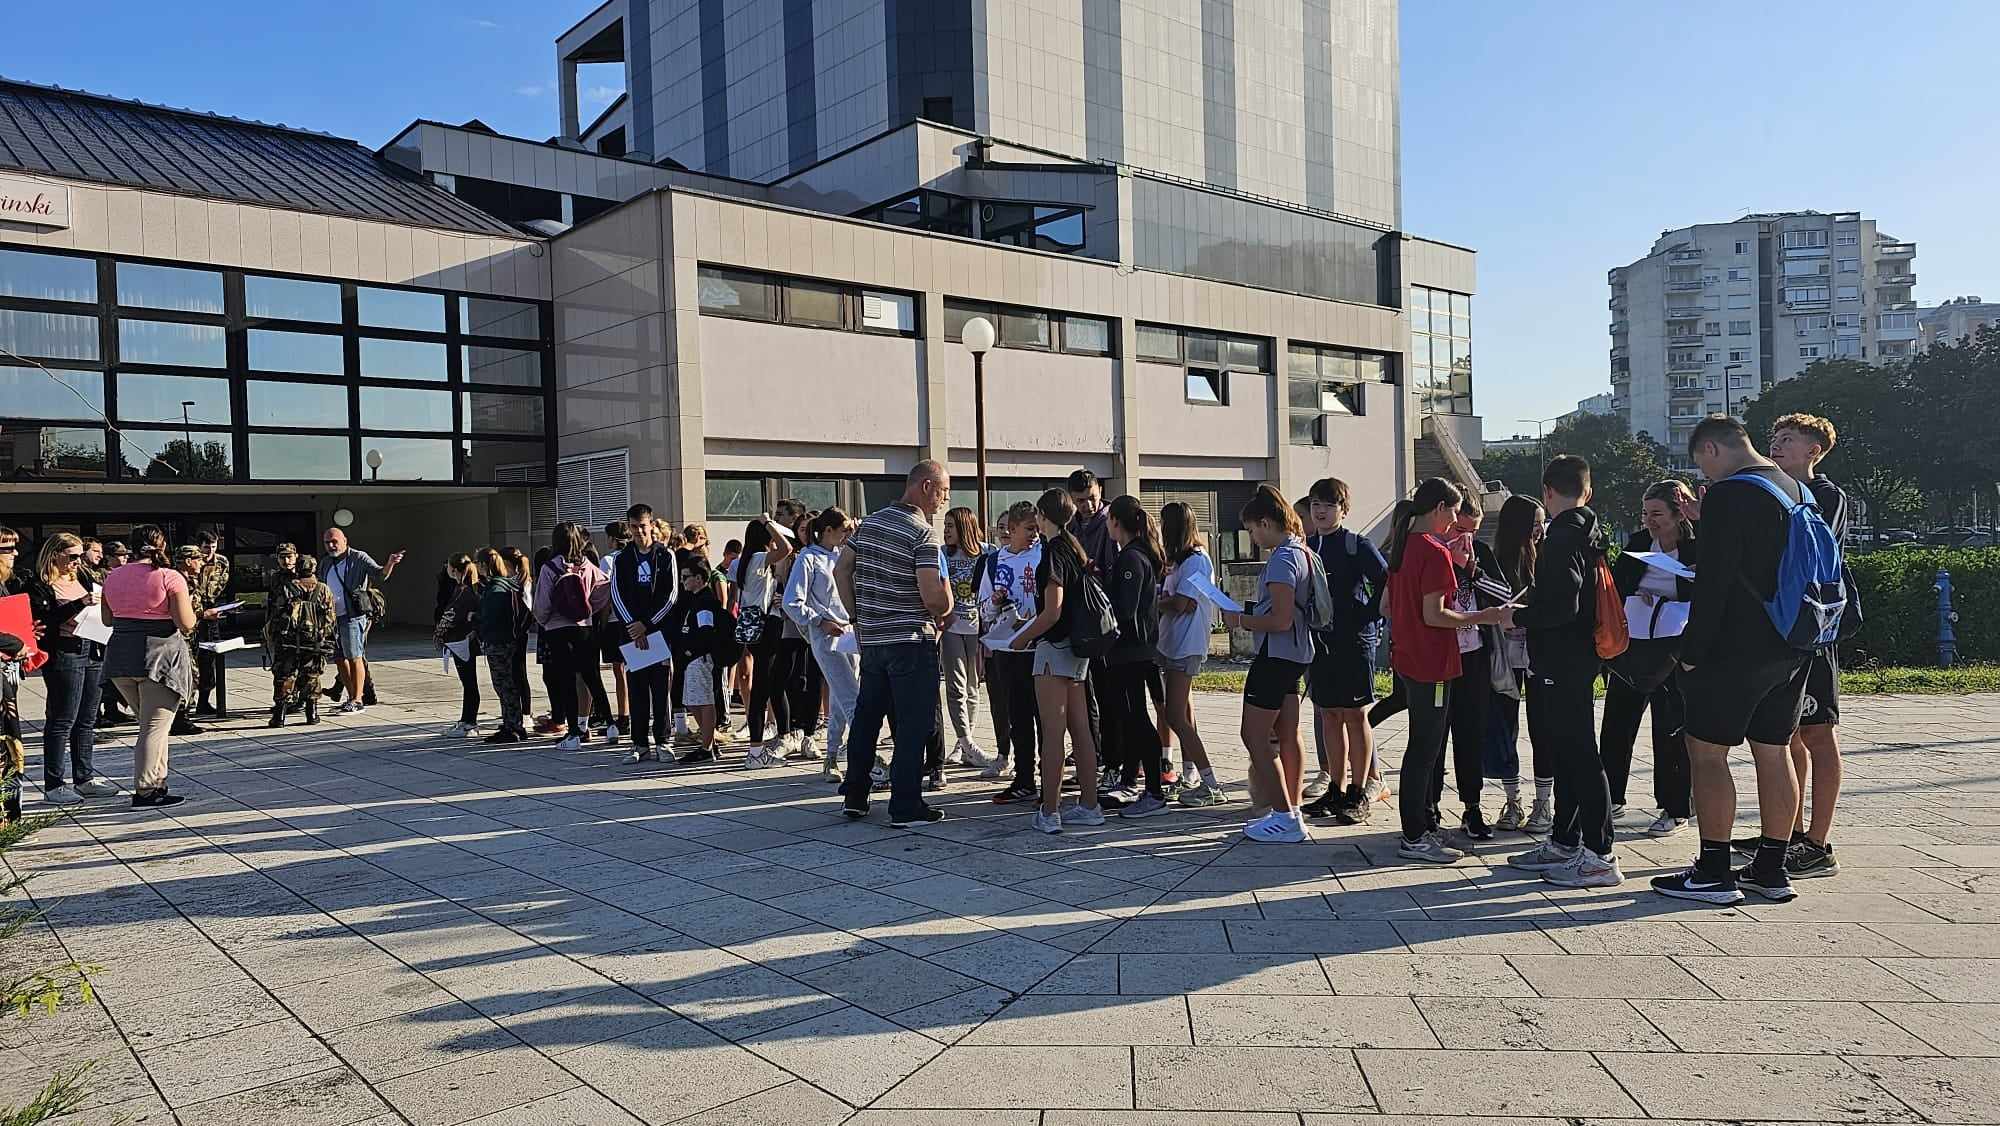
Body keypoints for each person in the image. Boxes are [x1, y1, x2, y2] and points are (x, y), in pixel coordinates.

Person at [1654, 415, 1826, 905]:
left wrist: (1691, 654)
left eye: (1701, 465)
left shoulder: (1730, 494)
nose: (1705, 476)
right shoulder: (1793, 488)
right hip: (1792, 643)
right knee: (1774, 750)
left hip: (1735, 647)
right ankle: (1771, 869)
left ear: (1711, 449)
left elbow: (1714, 583)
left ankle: (1713, 871)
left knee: (1707, 752)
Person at [1502, 456, 1622, 888]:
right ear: (1586, 491)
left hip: (1563, 657)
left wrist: (1518, 616)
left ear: (1548, 491)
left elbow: (1561, 606)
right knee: (1568, 751)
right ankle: (1565, 841)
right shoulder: (1590, 530)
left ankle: (1600, 855)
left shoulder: (1561, 538)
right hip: (1580, 655)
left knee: (1580, 755)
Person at [1381, 478, 1512, 862]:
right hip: (1433, 662)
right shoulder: (1434, 551)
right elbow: (1435, 614)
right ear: (1439, 508)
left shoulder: (1403, 546)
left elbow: (1390, 607)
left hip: (1410, 658)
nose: (1455, 520)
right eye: (1454, 512)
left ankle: (1422, 825)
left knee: (1423, 747)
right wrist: (1483, 616)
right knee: (1425, 749)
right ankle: (1415, 835)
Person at [835, 462, 953, 826]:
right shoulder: (922, 533)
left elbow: (841, 570)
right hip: (911, 640)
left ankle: (855, 795)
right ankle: (905, 804)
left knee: (867, 719)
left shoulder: (869, 524)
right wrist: (948, 600)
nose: (944, 501)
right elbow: (933, 597)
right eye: (943, 492)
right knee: (913, 723)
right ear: (926, 486)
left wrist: (856, 616)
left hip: (873, 639)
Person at [1763, 412, 1854, 879]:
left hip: (1815, 629)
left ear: (1813, 450)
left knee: (1819, 732)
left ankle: (1818, 843)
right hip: (1784, 632)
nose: (1776, 445)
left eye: (1787, 439)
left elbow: (1808, 545)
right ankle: (1789, 832)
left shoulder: (1825, 495)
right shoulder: (1775, 492)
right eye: (1775, 438)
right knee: (1789, 732)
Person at [1218, 485, 1323, 844]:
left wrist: (1240, 620)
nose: (1253, 538)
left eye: (1252, 530)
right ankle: (1292, 810)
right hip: (1296, 654)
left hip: (1276, 655)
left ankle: (1282, 815)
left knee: (1254, 735)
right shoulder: (1303, 551)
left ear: (1265, 522)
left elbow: (1280, 619)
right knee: (1289, 734)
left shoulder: (1282, 559)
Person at [1599, 481, 1698, 838]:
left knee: (1670, 728)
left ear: (1678, 513)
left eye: (1657, 513)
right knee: (1617, 724)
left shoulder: (1697, 547)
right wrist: (1635, 595)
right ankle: (1610, 797)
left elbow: (1711, 594)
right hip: (1633, 644)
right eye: (1645, 513)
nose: (1649, 520)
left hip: (1675, 649)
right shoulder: (1639, 543)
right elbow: (1615, 585)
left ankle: (1675, 807)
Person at [1008, 488, 1105, 834]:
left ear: (1042, 516)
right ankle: (1090, 805)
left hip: (1054, 648)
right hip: (1078, 650)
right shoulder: (1074, 547)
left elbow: (1053, 611)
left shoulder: (1052, 552)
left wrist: (1021, 637)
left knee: (1052, 732)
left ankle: (1049, 811)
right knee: (1081, 730)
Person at [1298, 478, 1388, 826]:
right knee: (1329, 715)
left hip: (1354, 644)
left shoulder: (1357, 545)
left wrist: (1364, 617)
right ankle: (1335, 788)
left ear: (1343, 510)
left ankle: (1358, 790)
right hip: (1321, 644)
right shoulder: (1307, 546)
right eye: (1315, 505)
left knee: (1355, 715)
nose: (1320, 511)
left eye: (1328, 505)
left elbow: (1386, 583)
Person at [100, 524, 197, 808]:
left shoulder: (113, 576)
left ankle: (159, 782)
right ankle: (145, 790)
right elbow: (186, 624)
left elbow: (107, 619)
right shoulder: (169, 576)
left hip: (120, 658)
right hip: (159, 658)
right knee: (153, 728)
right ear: (162, 545)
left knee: (152, 725)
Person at [28, 534, 117, 804]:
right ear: (54, 554)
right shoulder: (40, 584)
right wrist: (79, 604)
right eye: (72, 556)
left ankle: (84, 778)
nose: (77, 561)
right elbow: (43, 622)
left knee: (87, 718)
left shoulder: (83, 577)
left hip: (92, 647)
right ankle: (54, 784)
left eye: (80, 556)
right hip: (64, 652)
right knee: (62, 718)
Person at [1100, 495, 1170, 818]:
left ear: (1116, 521)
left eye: (1109, 519)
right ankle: (1132, 782)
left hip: (1132, 652)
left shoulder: (1131, 557)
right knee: (1131, 719)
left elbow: (1125, 609)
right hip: (1134, 652)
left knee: (1137, 720)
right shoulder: (1135, 554)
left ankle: (1154, 792)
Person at [1484, 496, 1546, 831]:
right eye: (1535, 523)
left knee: (1542, 727)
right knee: (1504, 727)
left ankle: (1543, 803)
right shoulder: (1496, 561)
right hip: (1504, 653)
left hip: (1538, 654)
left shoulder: (1547, 556)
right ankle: (1512, 801)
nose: (1539, 530)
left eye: (1542, 523)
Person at [1155, 501, 1222, 807]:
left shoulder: (1196, 560)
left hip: (1187, 644)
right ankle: (1191, 773)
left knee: (1174, 715)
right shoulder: (1178, 561)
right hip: (1171, 642)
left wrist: (1157, 602)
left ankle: (1211, 784)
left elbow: (1183, 603)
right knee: (1183, 712)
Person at [786, 508, 859, 782]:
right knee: (852, 698)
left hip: (850, 633)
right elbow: (791, 602)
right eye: (844, 530)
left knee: (841, 698)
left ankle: (831, 756)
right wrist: (820, 621)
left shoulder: (844, 555)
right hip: (826, 637)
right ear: (828, 530)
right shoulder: (807, 558)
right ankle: (868, 757)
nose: (847, 534)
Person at [978, 502, 1043, 803]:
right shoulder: (994, 561)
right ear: (1012, 529)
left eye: (1037, 528)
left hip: (1040, 647)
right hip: (1008, 648)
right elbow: (983, 610)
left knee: (1045, 717)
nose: (1034, 534)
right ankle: (1024, 777)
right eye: (1028, 529)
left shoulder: (1044, 555)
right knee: (1018, 716)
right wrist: (995, 601)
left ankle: (1050, 775)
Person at [533, 523, 612, 750]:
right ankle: (611, 725)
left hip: (558, 629)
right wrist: (589, 608)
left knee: (566, 681)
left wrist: (545, 620)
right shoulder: (586, 565)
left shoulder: (550, 567)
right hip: (584, 627)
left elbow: (542, 603)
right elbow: (604, 586)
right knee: (592, 677)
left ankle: (574, 733)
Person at [611, 513, 679, 763]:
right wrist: (633, 627)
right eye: (634, 527)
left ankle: (663, 740)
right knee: (637, 689)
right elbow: (616, 595)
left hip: (658, 633)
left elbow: (671, 596)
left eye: (643, 526)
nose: (639, 531)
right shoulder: (622, 558)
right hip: (631, 634)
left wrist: (647, 625)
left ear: (651, 525)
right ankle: (639, 744)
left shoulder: (666, 555)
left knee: (660, 689)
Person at [319, 527, 404, 714]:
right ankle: (350, 697)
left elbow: (380, 575)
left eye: (334, 541)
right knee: (339, 658)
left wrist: (390, 563)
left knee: (354, 656)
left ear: (345, 540)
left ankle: (358, 699)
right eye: (327, 542)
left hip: (352, 616)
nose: (331, 545)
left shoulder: (358, 557)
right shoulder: (325, 562)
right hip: (331, 618)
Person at [732, 516, 795, 765]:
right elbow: (786, 548)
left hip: (752, 626)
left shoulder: (741, 562)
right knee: (761, 688)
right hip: (766, 625)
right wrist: (769, 523)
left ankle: (758, 748)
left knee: (763, 684)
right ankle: (756, 752)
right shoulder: (759, 558)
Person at [938, 507, 991, 767]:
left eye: (950, 526)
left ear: (964, 526)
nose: (946, 530)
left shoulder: (987, 552)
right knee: (956, 687)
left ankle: (964, 745)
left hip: (978, 628)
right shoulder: (941, 553)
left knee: (972, 688)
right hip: (951, 628)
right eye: (945, 526)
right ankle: (966, 741)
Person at [264, 556, 336, 728]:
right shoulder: (323, 589)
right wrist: (323, 637)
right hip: (313, 642)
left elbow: (276, 613)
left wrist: (272, 635)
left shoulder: (286, 587)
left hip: (288, 641)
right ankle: (312, 714)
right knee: (312, 675)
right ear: (314, 569)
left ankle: (279, 717)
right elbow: (330, 618)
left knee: (284, 676)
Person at [670, 557, 728, 764]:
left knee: (704, 701)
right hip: (693, 659)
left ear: (699, 578)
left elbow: (706, 631)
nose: (683, 581)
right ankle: (709, 741)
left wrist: (691, 651)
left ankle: (707, 747)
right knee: (692, 701)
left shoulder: (705, 601)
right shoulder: (694, 599)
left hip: (700, 659)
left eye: (686, 577)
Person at [475, 548, 530, 745]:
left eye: (478, 563)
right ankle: (513, 724)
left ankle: (512, 726)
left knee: (503, 685)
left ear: (483, 565)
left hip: (498, 642)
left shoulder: (495, 588)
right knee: (509, 683)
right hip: (510, 640)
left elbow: (491, 618)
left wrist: (476, 620)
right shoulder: (508, 583)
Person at [435, 553, 483, 737]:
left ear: (454, 569)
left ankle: (469, 723)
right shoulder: (465, 588)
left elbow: (451, 615)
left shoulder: (464, 591)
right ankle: (465, 720)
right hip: (461, 640)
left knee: (469, 683)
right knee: (468, 682)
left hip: (462, 641)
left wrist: (439, 633)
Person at [189, 530, 232, 717]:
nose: (210, 551)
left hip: (211, 610)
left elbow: (221, 584)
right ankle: (187, 701)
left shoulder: (222, 562)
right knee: (191, 658)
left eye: (214, 547)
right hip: (192, 612)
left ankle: (204, 701)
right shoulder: (191, 560)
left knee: (209, 658)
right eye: (207, 547)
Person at [599, 518, 633, 742]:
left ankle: (623, 715)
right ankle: (633, 714)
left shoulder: (609, 560)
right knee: (635, 669)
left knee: (619, 670)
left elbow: (606, 595)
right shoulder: (634, 557)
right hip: (635, 620)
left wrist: (601, 623)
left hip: (614, 620)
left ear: (612, 539)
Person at [501, 545, 535, 724]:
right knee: (517, 673)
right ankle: (522, 711)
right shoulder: (520, 578)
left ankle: (525, 712)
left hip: (518, 632)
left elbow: (524, 609)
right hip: (519, 631)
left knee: (519, 673)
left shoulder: (516, 582)